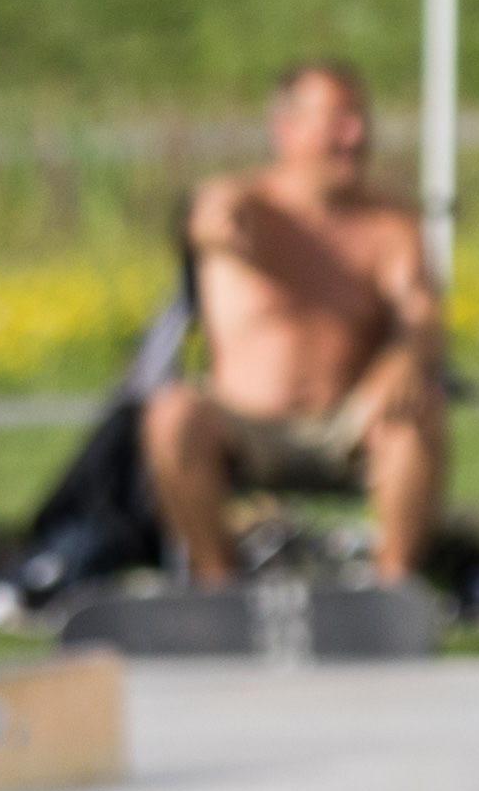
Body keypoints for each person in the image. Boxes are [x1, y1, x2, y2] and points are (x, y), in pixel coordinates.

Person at [147, 57, 448, 584]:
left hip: (349, 422)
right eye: (337, 121)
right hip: (245, 421)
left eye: (360, 119)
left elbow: (421, 317)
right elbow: (206, 220)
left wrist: (405, 359)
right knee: (171, 414)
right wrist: (211, 224)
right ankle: (216, 581)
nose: (354, 135)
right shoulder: (244, 203)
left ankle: (392, 584)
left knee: (419, 408)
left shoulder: (391, 224)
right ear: (287, 129)